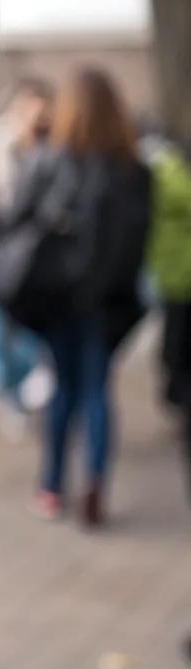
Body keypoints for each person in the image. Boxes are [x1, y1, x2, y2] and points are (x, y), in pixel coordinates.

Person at [0, 68, 150, 527]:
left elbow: (14, 221)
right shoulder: (135, 171)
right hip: (108, 302)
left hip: (58, 299)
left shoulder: (48, 161)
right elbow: (140, 243)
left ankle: (52, 486)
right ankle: (95, 480)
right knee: (97, 388)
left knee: (64, 387)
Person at [0, 77, 55, 432]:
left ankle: (15, 393)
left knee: (19, 332)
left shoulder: (47, 150)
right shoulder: (0, 146)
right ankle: (3, 398)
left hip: (30, 260)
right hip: (1, 255)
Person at [147, 138, 191, 493]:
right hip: (176, 277)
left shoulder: (165, 174)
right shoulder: (167, 174)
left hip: (175, 275)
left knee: (176, 347)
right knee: (175, 347)